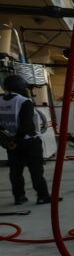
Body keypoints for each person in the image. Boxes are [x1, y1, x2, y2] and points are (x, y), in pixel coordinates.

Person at [0, 75, 53, 205]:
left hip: (11, 143)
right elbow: (27, 126)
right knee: (36, 170)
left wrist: (7, 142)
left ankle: (19, 197)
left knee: (15, 172)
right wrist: (16, 141)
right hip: (29, 142)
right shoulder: (24, 101)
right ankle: (42, 196)